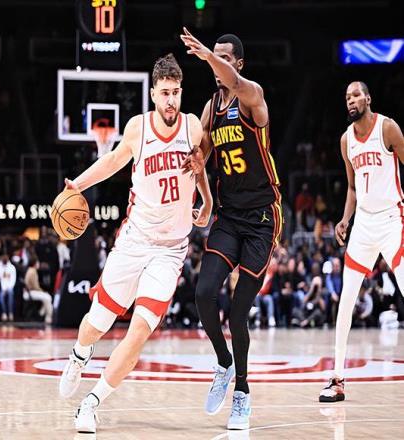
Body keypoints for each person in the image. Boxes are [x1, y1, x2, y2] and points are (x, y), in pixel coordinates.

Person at [58, 53, 212, 434]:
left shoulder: (192, 127)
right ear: (153, 94)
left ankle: (92, 402)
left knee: (139, 331)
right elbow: (112, 162)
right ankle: (79, 355)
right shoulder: (137, 129)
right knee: (98, 321)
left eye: (176, 92)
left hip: (171, 249)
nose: (171, 100)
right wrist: (78, 184)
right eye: (165, 93)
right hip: (135, 240)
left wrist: (207, 201)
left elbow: (200, 164)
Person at [180, 28, 282, 429]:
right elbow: (202, 156)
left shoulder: (252, 95)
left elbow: (237, 84)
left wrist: (207, 54)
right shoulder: (210, 108)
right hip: (229, 215)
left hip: (261, 218)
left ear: (238, 63)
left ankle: (242, 393)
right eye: (214, 56)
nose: (216, 61)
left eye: (224, 57)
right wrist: (200, 183)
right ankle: (224, 363)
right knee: (204, 294)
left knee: (239, 314)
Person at [319, 81, 404, 403]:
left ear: (368, 98)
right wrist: (345, 219)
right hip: (364, 224)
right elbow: (353, 188)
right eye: (347, 97)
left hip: (392, 219)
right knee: (346, 301)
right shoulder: (346, 140)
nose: (351, 100)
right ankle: (337, 378)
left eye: (355, 95)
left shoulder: (388, 128)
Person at [24, 257, 53, 325]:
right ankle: (48, 317)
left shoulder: (30, 270)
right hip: (30, 292)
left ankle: (41, 314)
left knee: (46, 298)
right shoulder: (33, 271)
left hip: (30, 291)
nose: (38, 264)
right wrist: (42, 291)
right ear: (35, 263)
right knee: (48, 297)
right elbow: (35, 286)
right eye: (37, 263)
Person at [0, 253, 16, 321]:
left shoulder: (12, 267)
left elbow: (13, 280)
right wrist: (3, 288)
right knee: (1, 296)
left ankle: (10, 312)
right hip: (1, 287)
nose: (4, 258)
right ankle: (4, 312)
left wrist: (8, 287)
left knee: (10, 292)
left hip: (9, 287)